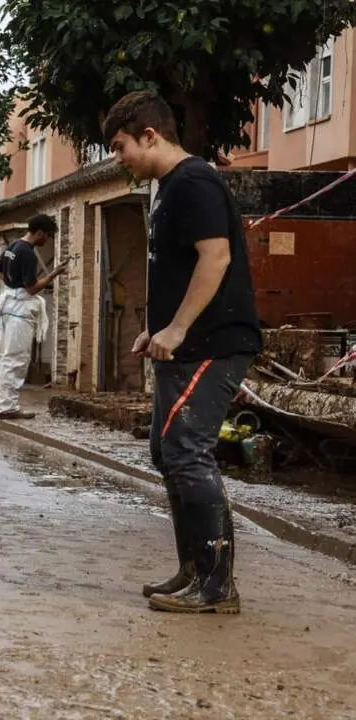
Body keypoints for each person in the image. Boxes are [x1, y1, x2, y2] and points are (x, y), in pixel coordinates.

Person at [106, 91, 261, 614]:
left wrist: (177, 328)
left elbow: (215, 259)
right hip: (182, 344)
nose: (118, 157)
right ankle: (193, 569)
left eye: (120, 145)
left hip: (212, 343)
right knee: (166, 450)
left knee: (187, 450)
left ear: (150, 135)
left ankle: (218, 586)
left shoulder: (194, 181)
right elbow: (177, 270)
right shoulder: (168, 189)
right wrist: (158, 331)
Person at [0, 214, 67, 421]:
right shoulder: (28, 253)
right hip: (19, 312)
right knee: (17, 359)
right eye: (48, 236)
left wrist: (12, 285)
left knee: (5, 358)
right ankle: (8, 407)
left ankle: (2, 403)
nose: (47, 240)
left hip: (8, 308)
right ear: (40, 232)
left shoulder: (14, 246)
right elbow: (32, 289)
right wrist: (53, 274)